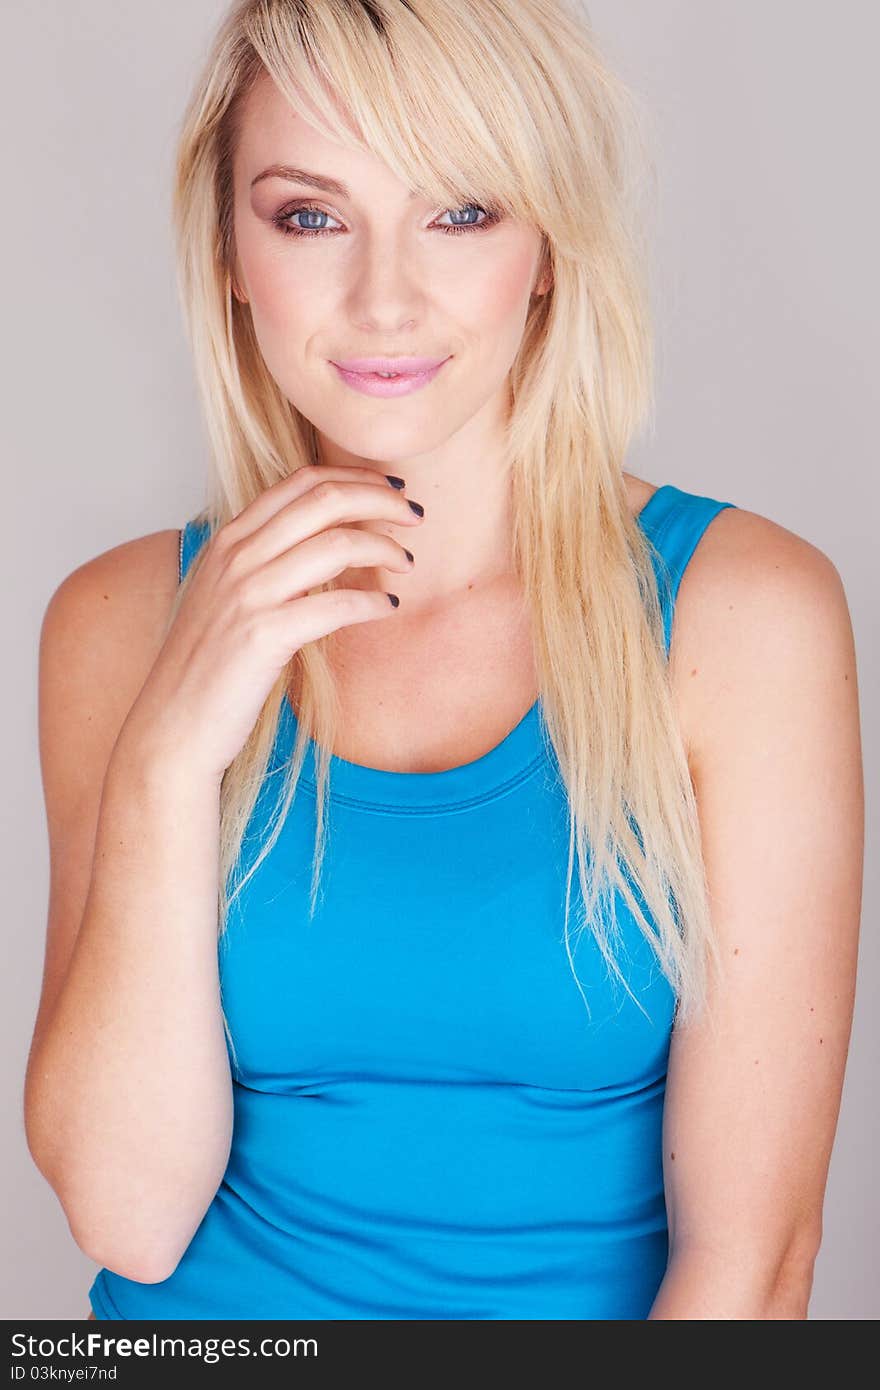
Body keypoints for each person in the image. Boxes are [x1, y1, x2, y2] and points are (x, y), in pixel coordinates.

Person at [25, 0, 862, 1322]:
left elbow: (753, 1268)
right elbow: (128, 1211)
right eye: (310, 216)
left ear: (547, 249)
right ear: (231, 250)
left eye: (460, 211)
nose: (385, 295)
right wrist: (169, 749)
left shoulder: (743, 618)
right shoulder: (120, 620)